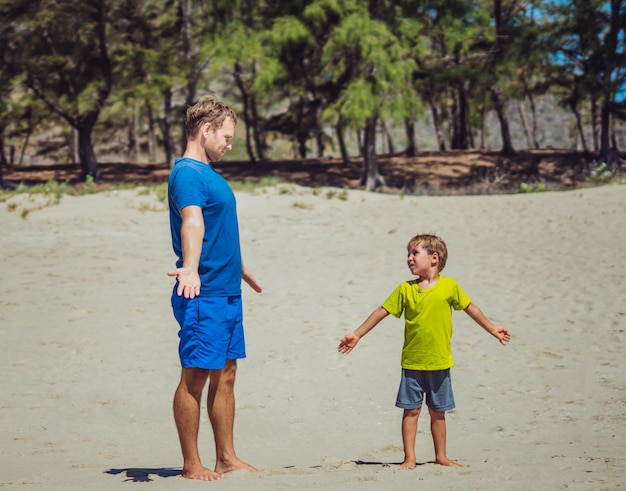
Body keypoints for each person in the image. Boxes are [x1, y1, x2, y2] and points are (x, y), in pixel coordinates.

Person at [338, 234, 510, 469]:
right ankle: (410, 458)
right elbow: (381, 311)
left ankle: (441, 456)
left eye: (414, 253)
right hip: (412, 362)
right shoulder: (405, 290)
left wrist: (492, 328)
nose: (409, 258)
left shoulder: (450, 286)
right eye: (408, 254)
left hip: (440, 361)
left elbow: (470, 307)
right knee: (411, 411)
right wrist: (357, 334)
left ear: (434, 258)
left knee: (438, 412)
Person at [167, 95, 262, 481]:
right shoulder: (188, 174)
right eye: (226, 136)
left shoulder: (210, 174)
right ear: (205, 130)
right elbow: (192, 222)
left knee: (226, 372)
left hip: (226, 289)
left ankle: (226, 457)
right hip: (201, 292)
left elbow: (218, 230)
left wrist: (240, 269)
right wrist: (189, 268)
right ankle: (192, 463)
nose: (229, 143)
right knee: (196, 374)